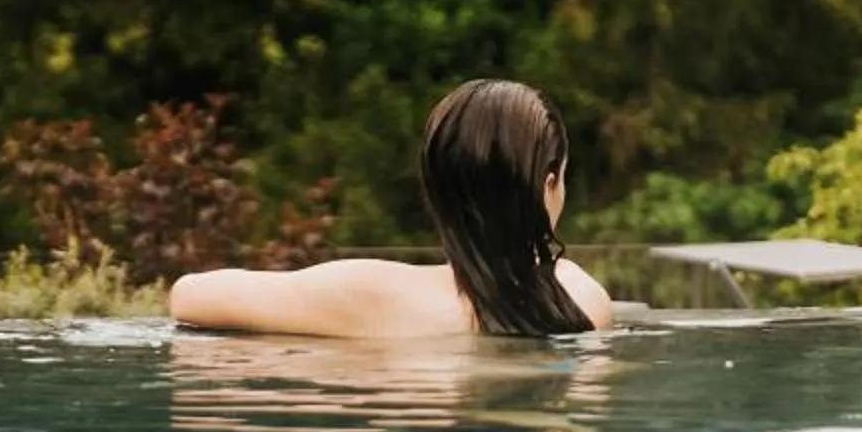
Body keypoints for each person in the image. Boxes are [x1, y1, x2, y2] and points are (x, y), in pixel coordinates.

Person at [169, 78, 613, 340]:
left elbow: (190, 296)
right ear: (548, 184)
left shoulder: (374, 293)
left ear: (436, 186)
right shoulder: (582, 299)